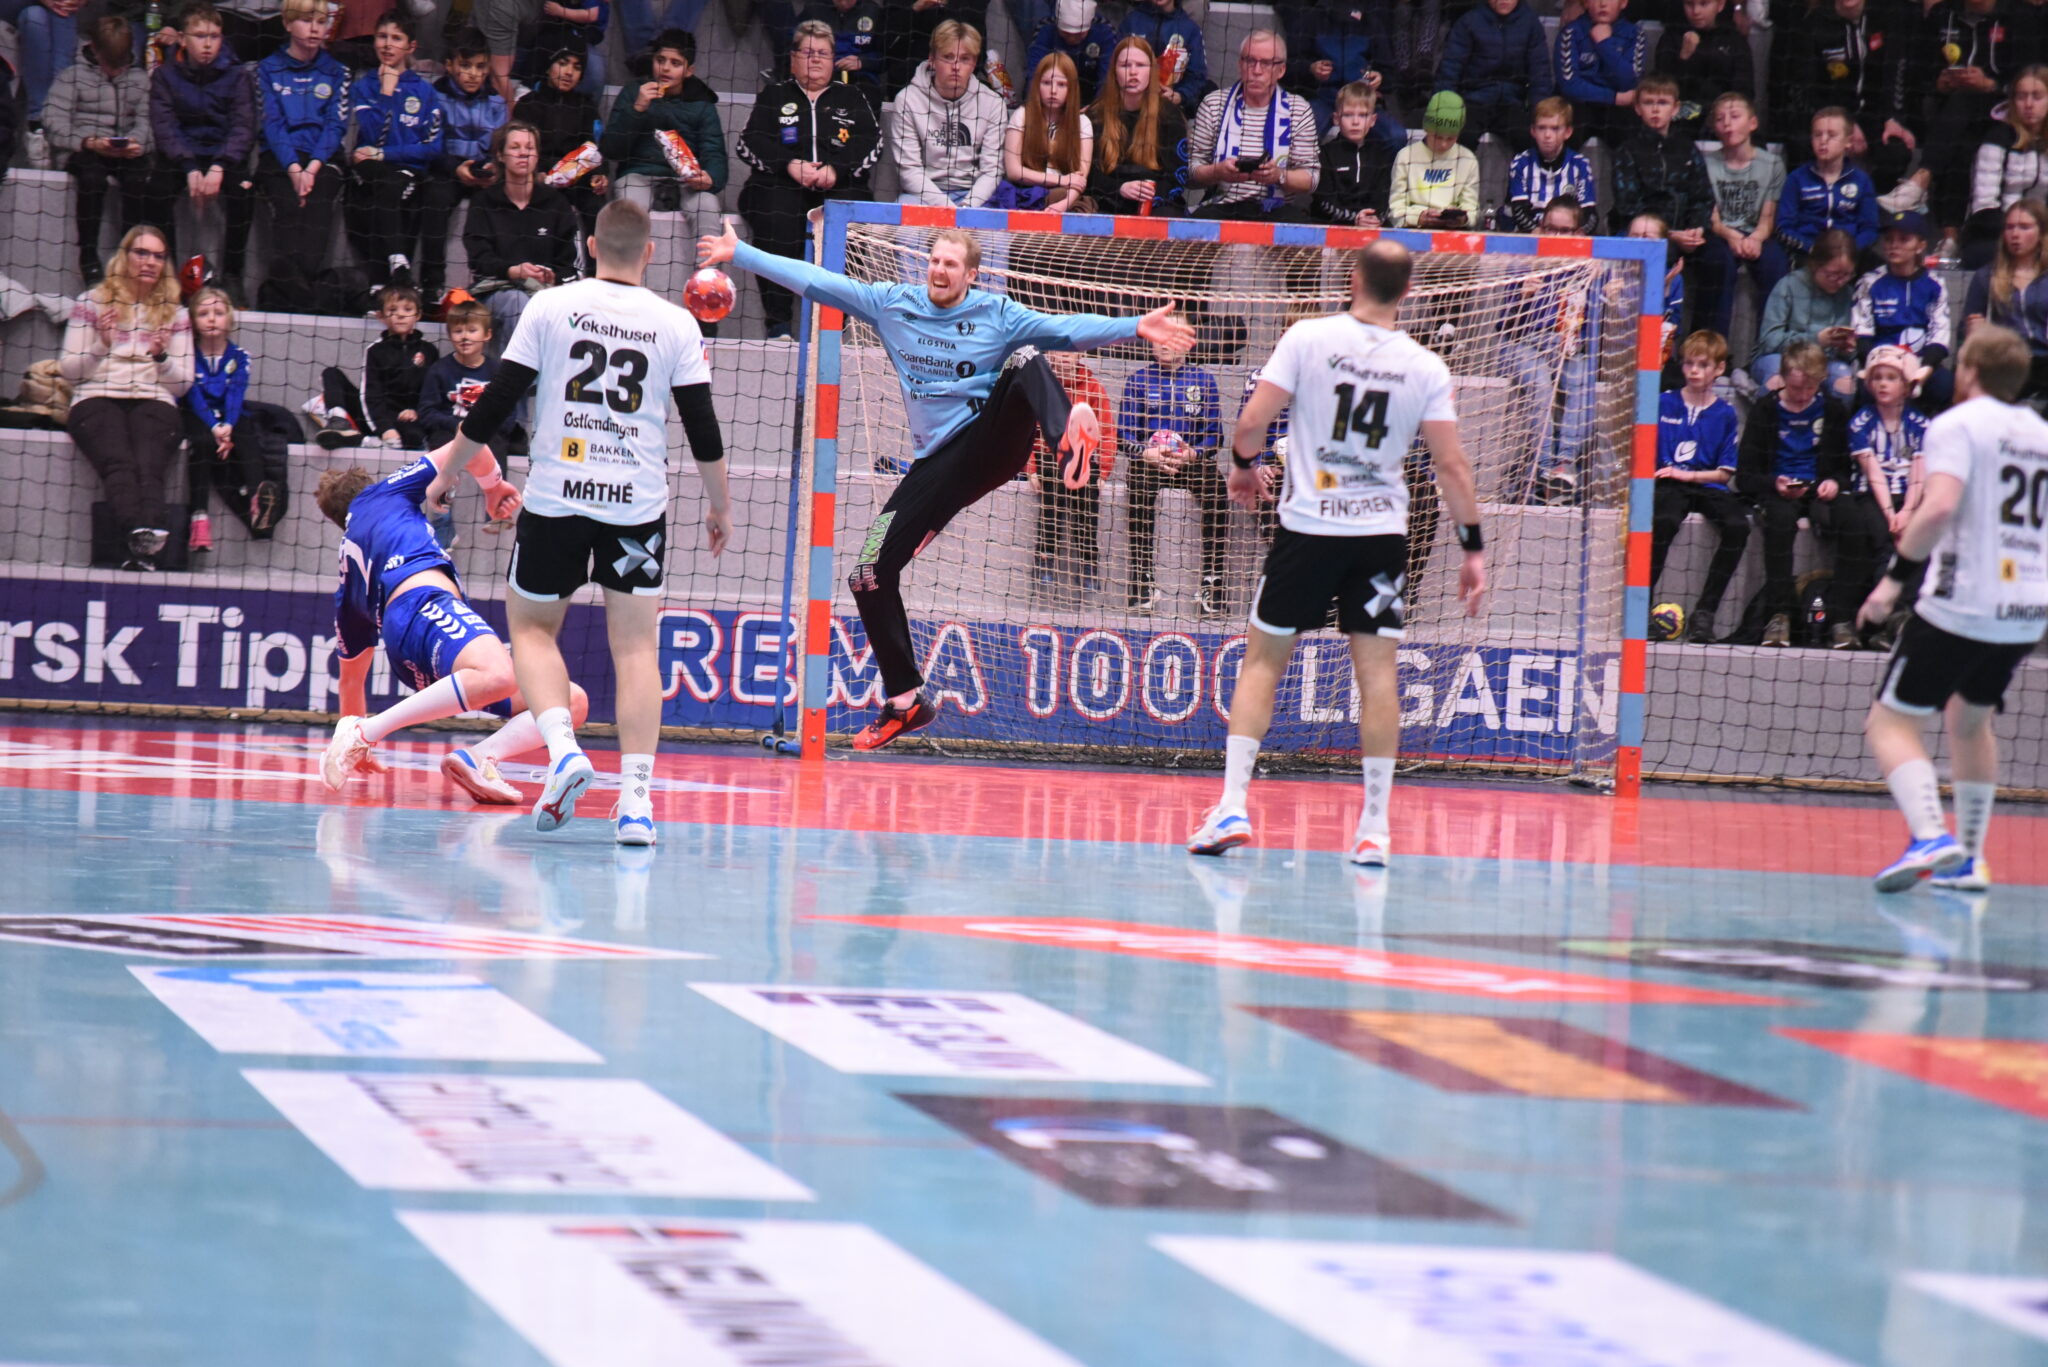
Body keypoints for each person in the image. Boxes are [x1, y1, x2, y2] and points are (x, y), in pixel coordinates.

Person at [701, 219, 1194, 750]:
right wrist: (741, 253)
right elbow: (819, 282)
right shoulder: (893, 304)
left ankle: (1067, 446)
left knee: (1027, 355)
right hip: (935, 464)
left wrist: (1134, 326)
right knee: (867, 573)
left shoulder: (995, 313)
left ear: (971, 274)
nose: (939, 269)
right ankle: (905, 701)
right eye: (935, 260)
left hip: (990, 443)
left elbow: (1064, 328)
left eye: (951, 264)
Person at [424, 200, 729, 843]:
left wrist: (448, 474)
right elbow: (703, 429)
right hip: (635, 506)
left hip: (557, 497)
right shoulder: (677, 323)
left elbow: (495, 404)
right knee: (636, 648)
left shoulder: (550, 306)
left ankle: (563, 751)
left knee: (533, 630)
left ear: (590, 246)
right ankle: (637, 805)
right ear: (650, 252)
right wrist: (719, 506)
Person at [1187, 240, 1486, 868]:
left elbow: (1251, 424)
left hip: (1308, 530)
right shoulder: (1426, 366)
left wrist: (1241, 467)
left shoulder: (1308, 337)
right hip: (1380, 539)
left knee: (1262, 662)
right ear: (1408, 292)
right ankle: (1374, 828)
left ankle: (1233, 805)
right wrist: (1472, 550)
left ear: (1353, 280)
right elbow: (1453, 467)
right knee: (1376, 677)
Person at [1855, 325, 2046, 891]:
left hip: (1964, 599)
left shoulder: (1956, 425)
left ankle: (1930, 835)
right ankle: (1969, 859)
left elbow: (1937, 507)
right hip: (2026, 607)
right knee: (1970, 720)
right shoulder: (2040, 432)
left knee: (1890, 723)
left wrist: (1891, 585)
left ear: (1969, 371)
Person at [315, 455, 595, 807]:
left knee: (568, 701)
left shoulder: (349, 577)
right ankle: (367, 732)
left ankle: (478, 758)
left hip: (410, 658)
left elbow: (351, 681)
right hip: (423, 605)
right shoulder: (382, 494)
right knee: (498, 675)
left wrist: (353, 737)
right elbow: (469, 446)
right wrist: (493, 487)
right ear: (368, 488)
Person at [59, 224, 193, 572]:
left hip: (154, 398)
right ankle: (143, 540)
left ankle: (140, 545)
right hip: (96, 395)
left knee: (148, 467)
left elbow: (183, 384)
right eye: (141, 253)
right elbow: (70, 372)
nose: (150, 262)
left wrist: (161, 357)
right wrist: (101, 344)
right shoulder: (92, 302)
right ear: (125, 256)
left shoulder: (176, 312)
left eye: (158, 256)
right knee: (119, 463)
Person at [737, 20, 882, 339]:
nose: (815, 59)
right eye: (807, 52)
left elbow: (872, 142)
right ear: (793, 59)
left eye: (822, 53)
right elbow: (748, 142)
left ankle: (834, 325)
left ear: (833, 60)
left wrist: (836, 169)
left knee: (853, 217)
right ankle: (778, 324)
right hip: (781, 184)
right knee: (773, 213)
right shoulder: (774, 95)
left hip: (838, 185)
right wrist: (789, 164)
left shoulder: (852, 96)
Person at [1737, 339, 1852, 646]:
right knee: (1779, 521)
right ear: (1783, 378)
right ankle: (1779, 616)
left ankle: (1842, 619)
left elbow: (1845, 470)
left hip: (1819, 491)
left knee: (1853, 520)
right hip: (1778, 491)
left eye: (1809, 389)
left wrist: (1835, 483)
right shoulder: (1765, 410)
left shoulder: (1833, 411)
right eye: (1796, 388)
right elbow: (1745, 476)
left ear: (1821, 381)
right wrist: (1773, 483)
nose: (1802, 396)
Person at [49, 16, 177, 287]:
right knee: (92, 178)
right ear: (94, 49)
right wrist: (88, 141)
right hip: (85, 150)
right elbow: (54, 122)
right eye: (111, 63)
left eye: (121, 64)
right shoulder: (72, 77)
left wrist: (137, 142)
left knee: (139, 180)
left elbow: (150, 121)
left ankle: (128, 256)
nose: (117, 71)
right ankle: (88, 257)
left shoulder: (140, 80)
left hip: (125, 152)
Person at [1649, 329, 1747, 643]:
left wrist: (1687, 475)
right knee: (1663, 520)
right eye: (1689, 363)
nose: (1694, 371)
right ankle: (1641, 606)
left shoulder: (1725, 413)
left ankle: (1705, 614)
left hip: (1705, 485)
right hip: (1668, 484)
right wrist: (1671, 475)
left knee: (1738, 526)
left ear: (1719, 369)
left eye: (1703, 365)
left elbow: (1723, 474)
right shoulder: (1663, 403)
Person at [1121, 331, 1227, 616]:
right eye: (1159, 337)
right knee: (1137, 482)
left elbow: (1215, 436)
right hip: (1151, 462)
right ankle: (1142, 580)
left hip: (1189, 461)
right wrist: (1146, 453)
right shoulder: (1137, 380)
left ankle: (1212, 582)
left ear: (1187, 344)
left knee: (1217, 488)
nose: (1164, 342)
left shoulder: (1204, 380)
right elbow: (1124, 435)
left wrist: (1193, 453)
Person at [151, 4, 257, 288]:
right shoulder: (164, 75)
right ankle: (166, 277)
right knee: (155, 190)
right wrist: (188, 165)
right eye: (200, 36)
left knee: (243, 193)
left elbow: (243, 127)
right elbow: (165, 127)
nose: (208, 44)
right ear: (182, 39)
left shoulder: (238, 75)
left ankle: (232, 278)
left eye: (214, 36)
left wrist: (220, 165)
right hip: (181, 154)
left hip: (224, 154)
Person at [1836, 345, 1929, 648]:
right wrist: (1891, 515)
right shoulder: (1860, 421)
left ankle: (1903, 618)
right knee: (1885, 543)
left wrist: (1908, 511)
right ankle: (1887, 620)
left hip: (1910, 495)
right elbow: (1872, 471)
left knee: (1919, 544)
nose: (1883, 384)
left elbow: (1919, 472)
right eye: (1877, 378)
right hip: (1872, 495)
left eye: (1891, 378)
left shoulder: (1921, 423)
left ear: (1907, 385)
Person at [1609, 74, 1715, 332]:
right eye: (1649, 103)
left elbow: (1703, 196)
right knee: (1652, 253)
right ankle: (1654, 338)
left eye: (1663, 102)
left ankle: (1704, 343)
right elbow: (1628, 206)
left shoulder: (1688, 149)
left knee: (1719, 259)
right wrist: (1670, 235)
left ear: (1676, 108)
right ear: (1637, 108)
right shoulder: (1627, 150)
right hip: (1642, 235)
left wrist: (1696, 229)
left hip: (1685, 235)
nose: (1656, 110)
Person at [344, 10, 442, 289]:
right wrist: (386, 93)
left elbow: (433, 147)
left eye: (396, 38)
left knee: (392, 188)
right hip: (371, 169)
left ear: (411, 46)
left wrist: (386, 154)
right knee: (381, 188)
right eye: (382, 36)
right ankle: (397, 265)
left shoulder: (425, 92)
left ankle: (381, 282)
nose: (387, 45)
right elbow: (373, 136)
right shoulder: (364, 86)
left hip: (405, 169)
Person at [254, 0, 348, 287]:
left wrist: (312, 168)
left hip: (323, 158)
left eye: (321, 22)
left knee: (318, 207)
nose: (315, 29)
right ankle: (291, 291)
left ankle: (302, 290)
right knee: (289, 208)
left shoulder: (337, 71)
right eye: (307, 21)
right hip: (281, 157)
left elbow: (335, 126)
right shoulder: (267, 69)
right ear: (287, 23)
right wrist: (295, 169)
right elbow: (272, 124)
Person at [600, 26, 724, 245]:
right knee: (629, 208)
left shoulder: (702, 102)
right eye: (660, 60)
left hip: (687, 181)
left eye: (675, 63)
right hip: (638, 175)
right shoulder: (633, 92)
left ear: (689, 70)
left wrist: (710, 178)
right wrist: (637, 109)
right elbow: (611, 149)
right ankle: (627, 268)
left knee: (708, 205)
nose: (665, 68)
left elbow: (714, 152)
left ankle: (707, 268)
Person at [183, 286, 284, 552]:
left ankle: (258, 501)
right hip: (198, 415)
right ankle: (199, 520)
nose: (211, 319)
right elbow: (194, 397)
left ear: (229, 319)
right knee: (202, 444)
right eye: (203, 314)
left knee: (246, 433)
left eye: (218, 313)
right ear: (193, 321)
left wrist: (227, 425)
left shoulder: (240, 356)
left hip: (229, 415)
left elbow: (235, 395)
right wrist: (215, 427)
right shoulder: (187, 355)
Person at [464, 121, 584, 344]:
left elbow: (571, 264)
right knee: (517, 303)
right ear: (500, 155)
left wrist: (553, 276)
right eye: (515, 147)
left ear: (537, 156)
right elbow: (479, 260)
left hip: (546, 292)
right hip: (495, 291)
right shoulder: (483, 202)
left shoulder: (556, 203)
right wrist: (512, 271)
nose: (523, 153)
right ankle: (516, 368)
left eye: (529, 148)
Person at [1914, 0, 2022, 239]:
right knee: (1960, 144)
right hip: (1952, 113)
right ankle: (1950, 237)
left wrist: (1991, 84)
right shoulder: (1942, 14)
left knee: (1964, 104)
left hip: (2004, 109)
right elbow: (1920, 70)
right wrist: (1939, 83)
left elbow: (2031, 76)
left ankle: (1922, 177)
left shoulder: (2018, 15)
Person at [1188, 29, 1320, 221]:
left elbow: (1312, 179)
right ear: (1240, 64)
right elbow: (1191, 173)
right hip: (1222, 205)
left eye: (1266, 63)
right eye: (1250, 61)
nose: (1256, 71)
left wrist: (1279, 176)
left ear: (1281, 70)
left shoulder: (1298, 110)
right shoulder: (1213, 104)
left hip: (1276, 209)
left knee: (1301, 226)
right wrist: (1217, 171)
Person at [421, 33, 509, 306]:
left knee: (500, 200)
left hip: (482, 172)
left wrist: (494, 168)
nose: (473, 74)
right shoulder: (434, 96)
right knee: (434, 198)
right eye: (466, 65)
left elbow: (501, 147)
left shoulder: (496, 102)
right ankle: (432, 283)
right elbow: (429, 146)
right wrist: (455, 167)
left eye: (480, 67)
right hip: (446, 168)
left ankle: (491, 279)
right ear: (449, 65)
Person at [891, 19, 1007, 208]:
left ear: (974, 63)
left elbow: (992, 171)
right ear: (932, 59)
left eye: (965, 59)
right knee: (903, 216)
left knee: (999, 227)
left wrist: (967, 207)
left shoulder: (993, 104)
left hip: (974, 196)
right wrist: (948, 209)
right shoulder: (907, 100)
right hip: (923, 196)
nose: (956, 66)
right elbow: (909, 171)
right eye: (948, 57)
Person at [1697, 92, 1784, 338]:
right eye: (1720, 119)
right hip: (1720, 233)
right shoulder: (1706, 163)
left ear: (1752, 123)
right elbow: (1711, 216)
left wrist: (1755, 238)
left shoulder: (1772, 164)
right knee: (1718, 262)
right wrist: (1731, 236)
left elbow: (1768, 218)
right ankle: (1714, 347)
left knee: (1775, 262)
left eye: (1735, 116)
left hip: (1756, 233)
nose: (1727, 124)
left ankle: (1769, 345)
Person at [415, 296, 499, 545]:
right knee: (441, 452)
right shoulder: (440, 370)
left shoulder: (496, 371)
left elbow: (508, 409)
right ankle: (443, 523)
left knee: (499, 443)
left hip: (485, 431)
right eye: (458, 331)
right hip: (450, 430)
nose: (464, 337)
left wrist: (495, 427)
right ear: (450, 334)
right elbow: (427, 411)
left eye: (472, 330)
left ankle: (495, 510)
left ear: (487, 334)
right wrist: (455, 425)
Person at [1773, 106, 1879, 300]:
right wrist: (1814, 249)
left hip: (1851, 254)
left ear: (1848, 142)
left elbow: (1870, 228)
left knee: (1876, 266)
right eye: (1817, 135)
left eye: (1831, 135)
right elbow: (1784, 227)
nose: (1823, 140)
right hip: (1807, 253)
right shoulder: (1797, 178)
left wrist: (1848, 251)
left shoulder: (1861, 180)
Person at [1854, 209, 1955, 410]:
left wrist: (1923, 370)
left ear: (1921, 246)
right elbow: (1862, 334)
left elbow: (1939, 336)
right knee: (1864, 390)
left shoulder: (1935, 284)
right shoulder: (1869, 282)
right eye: (1889, 239)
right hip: (1880, 362)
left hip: (1921, 362)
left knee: (1945, 385)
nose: (1894, 245)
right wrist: (1882, 366)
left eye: (1903, 239)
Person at [317, 283, 438, 451]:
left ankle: (362, 441)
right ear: (381, 316)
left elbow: (433, 392)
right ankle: (339, 422)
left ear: (418, 315)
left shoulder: (429, 350)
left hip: (410, 418)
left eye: (407, 309)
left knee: (414, 438)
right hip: (377, 416)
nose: (400, 315)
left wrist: (416, 411)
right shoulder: (375, 351)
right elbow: (370, 395)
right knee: (331, 374)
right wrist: (385, 428)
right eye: (393, 310)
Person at [1031, 350, 1111, 593]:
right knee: (1054, 488)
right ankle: (1045, 559)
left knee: (1087, 493)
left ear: (1081, 354)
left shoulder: (1094, 387)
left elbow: (1107, 430)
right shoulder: (1041, 386)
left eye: (1071, 351)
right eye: (1060, 350)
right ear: (1050, 353)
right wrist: (1031, 469)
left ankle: (1088, 564)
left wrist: (1104, 470)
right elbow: (1024, 431)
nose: (1066, 355)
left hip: (1081, 458)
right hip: (1048, 457)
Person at [1084, 33, 1188, 216]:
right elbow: (1087, 174)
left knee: (1166, 215)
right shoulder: (1095, 115)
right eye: (1125, 65)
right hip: (1108, 200)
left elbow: (1177, 175)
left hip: (1155, 202)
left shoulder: (1169, 115)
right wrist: (1120, 188)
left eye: (1140, 65)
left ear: (1152, 71)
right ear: (1114, 72)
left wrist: (1149, 194)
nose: (1133, 72)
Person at [513, 45, 608, 239]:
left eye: (577, 67)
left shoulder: (586, 106)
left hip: (576, 179)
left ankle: (596, 259)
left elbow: (593, 148)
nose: (569, 72)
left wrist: (599, 175)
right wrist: (536, 174)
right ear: (548, 68)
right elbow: (518, 151)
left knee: (596, 205)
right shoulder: (527, 105)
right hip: (539, 177)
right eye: (563, 63)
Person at [1437, 0, 1554, 152]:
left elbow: (1540, 73)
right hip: (1473, 101)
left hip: (1512, 103)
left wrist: (1540, 112)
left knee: (1528, 138)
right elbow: (1450, 68)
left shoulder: (1530, 23)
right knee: (1462, 136)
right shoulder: (1469, 21)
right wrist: (1444, 108)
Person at [1962, 199, 2048, 398]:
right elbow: (1965, 332)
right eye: (2010, 227)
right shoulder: (1986, 276)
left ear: (2041, 232)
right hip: (2007, 362)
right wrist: (1976, 333)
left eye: (2024, 227)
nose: (2015, 234)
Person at [1964, 67, 2048, 268]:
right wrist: (2020, 231)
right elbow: (1983, 207)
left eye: (2037, 97)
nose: (2029, 104)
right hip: (1996, 233)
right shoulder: (1998, 138)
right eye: (2021, 97)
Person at [1003, 52, 1093, 211]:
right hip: (1026, 192)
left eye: (1062, 84)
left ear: (1071, 88)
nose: (1053, 90)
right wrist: (1061, 180)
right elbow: (1013, 171)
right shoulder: (1022, 115)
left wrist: (1062, 206)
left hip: (1066, 198)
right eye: (1046, 83)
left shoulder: (1082, 122)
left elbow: (1080, 179)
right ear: (1036, 85)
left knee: (1083, 207)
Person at [1554, 0, 1646, 147]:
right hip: (1581, 105)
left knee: (1632, 124)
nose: (1603, 3)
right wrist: (1613, 97)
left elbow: (1630, 81)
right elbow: (1569, 85)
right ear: (1585, 3)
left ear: (1623, 3)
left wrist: (1604, 44)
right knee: (1567, 119)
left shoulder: (1634, 34)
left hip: (1616, 111)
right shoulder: (1571, 32)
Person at [1651, 0, 1751, 134]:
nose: (1696, 11)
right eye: (1689, 4)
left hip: (1724, 117)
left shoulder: (1734, 40)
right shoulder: (1671, 38)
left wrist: (1720, 112)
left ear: (1720, 5)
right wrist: (1684, 57)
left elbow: (1744, 91)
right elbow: (1660, 88)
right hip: (1681, 118)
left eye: (1704, 4)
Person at [1389, 90, 1479, 229]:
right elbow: (1395, 210)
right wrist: (1419, 217)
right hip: (1414, 229)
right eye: (1437, 137)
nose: (1443, 144)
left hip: (1452, 231)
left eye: (1450, 138)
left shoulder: (1468, 159)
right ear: (1426, 129)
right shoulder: (1406, 156)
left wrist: (1463, 219)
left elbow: (1472, 210)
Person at [1504, 96, 1596, 231]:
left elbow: (1590, 215)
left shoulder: (1580, 165)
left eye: (1555, 128)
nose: (1547, 135)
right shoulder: (1520, 163)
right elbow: (1518, 211)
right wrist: (1537, 232)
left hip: (1567, 236)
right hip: (1530, 236)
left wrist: (1577, 233)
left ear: (1568, 132)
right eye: (1542, 128)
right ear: (1533, 131)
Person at [1312, 80, 1395, 226]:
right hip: (1333, 227)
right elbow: (1323, 201)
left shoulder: (1382, 156)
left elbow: (1384, 200)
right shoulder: (1325, 154)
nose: (1355, 122)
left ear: (1373, 120)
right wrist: (1355, 219)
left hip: (1373, 228)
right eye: (1348, 115)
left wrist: (1374, 218)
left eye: (1363, 115)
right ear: (1336, 118)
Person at [1117, 0, 1210, 113]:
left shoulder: (1189, 29)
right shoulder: (1131, 22)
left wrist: (1180, 95)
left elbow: (1197, 75)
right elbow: (1113, 66)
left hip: (1169, 108)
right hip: (1129, 105)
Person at [1026, 0, 1116, 105]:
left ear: (1090, 25)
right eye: (1066, 33)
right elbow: (1034, 71)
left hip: (1091, 91)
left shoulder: (1104, 30)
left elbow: (1108, 75)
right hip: (1053, 92)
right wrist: (1034, 104)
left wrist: (1097, 107)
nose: (1072, 39)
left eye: (1079, 34)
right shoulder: (1046, 28)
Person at [799, 0, 887, 92]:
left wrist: (863, 61)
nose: (843, 2)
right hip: (822, 73)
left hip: (863, 76)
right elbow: (797, 48)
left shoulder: (873, 10)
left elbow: (885, 57)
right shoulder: (814, 8)